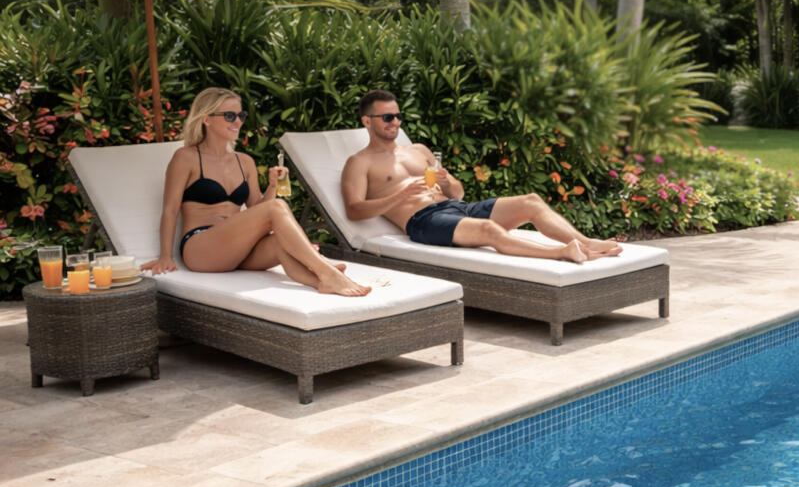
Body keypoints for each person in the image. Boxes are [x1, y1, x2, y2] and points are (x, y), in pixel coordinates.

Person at [341, 89, 624, 264]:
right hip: (423, 221)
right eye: (388, 118)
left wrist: (447, 182)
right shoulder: (359, 163)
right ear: (367, 121)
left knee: (532, 201)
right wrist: (400, 195)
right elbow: (354, 211)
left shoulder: (419, 150)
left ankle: (586, 242)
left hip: (456, 208)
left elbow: (458, 194)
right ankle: (562, 253)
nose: (396, 123)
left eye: (398, 116)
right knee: (489, 231)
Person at [142, 88, 369, 296]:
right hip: (201, 248)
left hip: (237, 250)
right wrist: (165, 256)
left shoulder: (245, 161)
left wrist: (272, 186)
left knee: (281, 242)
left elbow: (257, 211)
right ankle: (325, 268)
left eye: (241, 116)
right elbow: (170, 210)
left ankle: (320, 281)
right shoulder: (187, 157)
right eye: (229, 116)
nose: (237, 121)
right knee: (277, 207)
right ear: (206, 119)